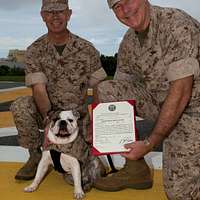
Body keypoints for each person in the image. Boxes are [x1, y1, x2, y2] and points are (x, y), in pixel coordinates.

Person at [94, 0, 200, 199]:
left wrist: (151, 142)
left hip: (194, 107)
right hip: (162, 103)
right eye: (117, 6)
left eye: (128, 0)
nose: (125, 10)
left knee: (180, 193)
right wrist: (98, 130)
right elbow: (120, 92)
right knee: (107, 90)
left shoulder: (175, 24)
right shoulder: (129, 41)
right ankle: (136, 171)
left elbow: (182, 91)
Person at [10, 0, 107, 189]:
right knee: (21, 105)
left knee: (90, 176)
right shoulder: (34, 51)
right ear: (43, 16)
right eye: (50, 12)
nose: (55, 16)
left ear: (69, 14)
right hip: (47, 114)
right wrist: (49, 122)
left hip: (77, 117)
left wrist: (95, 123)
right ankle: (36, 156)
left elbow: (99, 87)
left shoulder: (86, 49)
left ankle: (82, 153)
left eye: (60, 11)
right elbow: (38, 89)